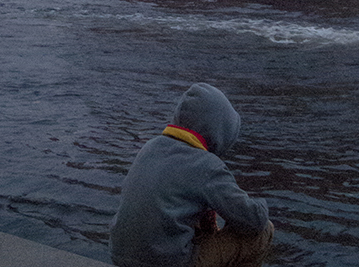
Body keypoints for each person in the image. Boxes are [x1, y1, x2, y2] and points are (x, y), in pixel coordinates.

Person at [110, 83, 273, 267]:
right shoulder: (207, 165)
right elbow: (254, 220)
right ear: (219, 132)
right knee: (264, 231)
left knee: (195, 214)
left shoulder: (150, 147)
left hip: (121, 257)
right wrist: (262, 205)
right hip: (168, 263)